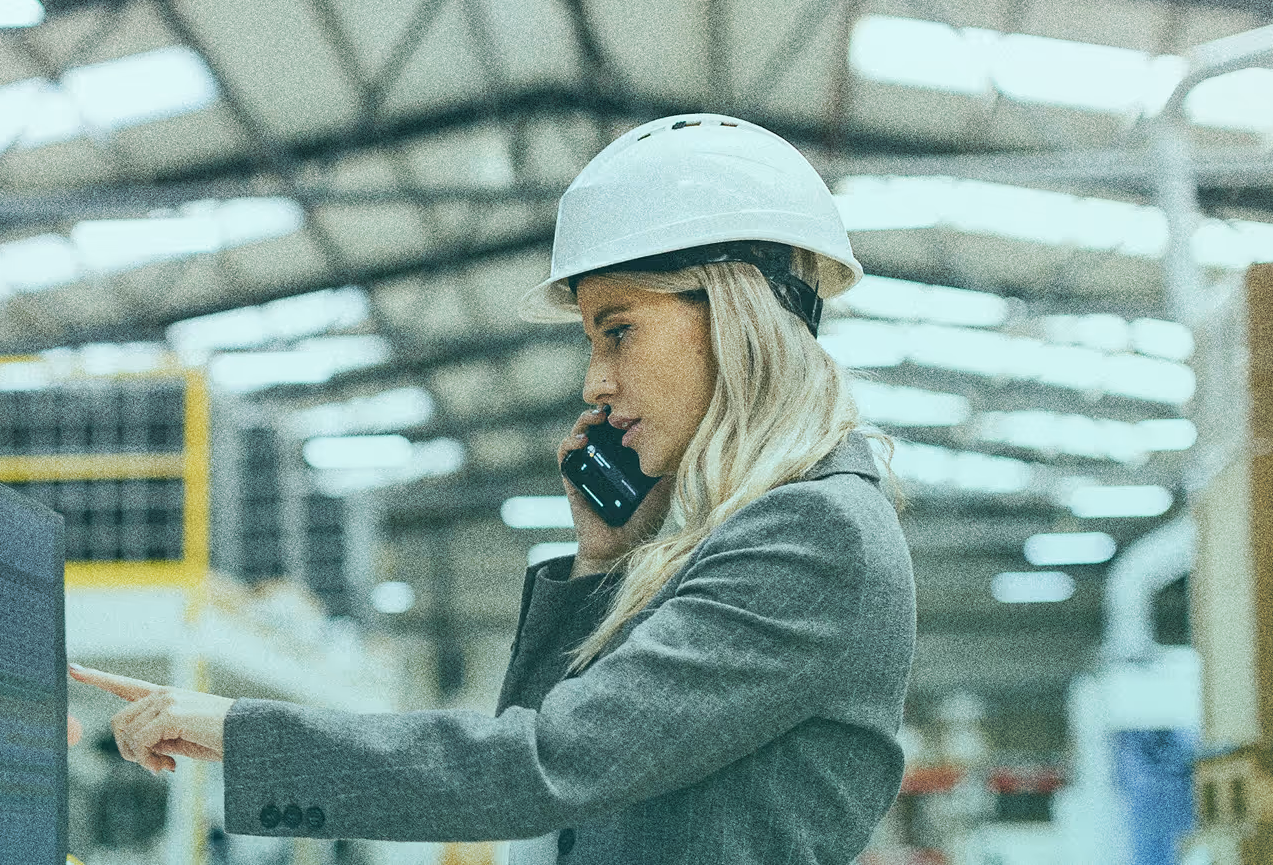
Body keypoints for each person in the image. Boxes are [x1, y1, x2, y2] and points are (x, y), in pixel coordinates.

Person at [69, 113, 917, 864]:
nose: (596, 383)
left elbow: (539, 764)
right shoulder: (733, 536)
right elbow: (556, 800)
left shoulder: (813, 533)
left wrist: (243, 732)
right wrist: (601, 562)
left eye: (617, 332)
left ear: (736, 316)